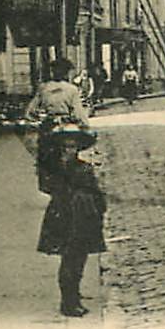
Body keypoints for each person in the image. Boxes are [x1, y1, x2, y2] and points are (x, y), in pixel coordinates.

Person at [37, 121, 106, 317]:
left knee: (79, 259)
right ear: (60, 148)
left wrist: (98, 208)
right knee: (69, 259)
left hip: (84, 217)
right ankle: (68, 302)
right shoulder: (53, 170)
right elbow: (46, 187)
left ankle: (74, 296)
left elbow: (96, 192)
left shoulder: (84, 167)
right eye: (66, 146)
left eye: (74, 146)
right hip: (64, 216)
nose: (70, 150)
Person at [26, 59, 90, 194]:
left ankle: (48, 184)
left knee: (44, 156)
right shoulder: (72, 90)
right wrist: (84, 125)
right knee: (71, 154)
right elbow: (78, 112)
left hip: (49, 125)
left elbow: (30, 111)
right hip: (67, 126)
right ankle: (69, 184)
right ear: (67, 73)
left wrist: (38, 117)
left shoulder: (44, 88)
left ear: (52, 72)